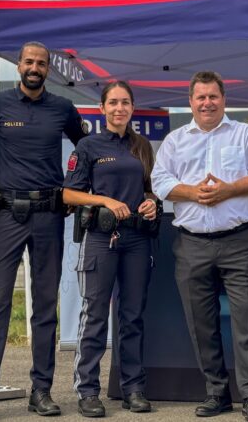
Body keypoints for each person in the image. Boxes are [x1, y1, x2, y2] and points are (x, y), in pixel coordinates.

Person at [0, 41, 88, 421]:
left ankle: (42, 391)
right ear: (19, 65)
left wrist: (73, 190)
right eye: (29, 61)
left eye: (42, 63)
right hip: (8, 216)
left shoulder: (63, 108)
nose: (35, 67)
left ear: (49, 69)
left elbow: (87, 149)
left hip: (49, 215)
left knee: (45, 307)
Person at [151, 71, 248, 422]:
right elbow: (159, 181)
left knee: (247, 322)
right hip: (191, 244)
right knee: (200, 323)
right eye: (200, 97)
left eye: (213, 96)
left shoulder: (245, 134)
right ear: (190, 101)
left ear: (224, 99)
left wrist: (229, 190)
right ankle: (216, 393)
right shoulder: (175, 141)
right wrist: (194, 192)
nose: (207, 102)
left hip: (238, 242)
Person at [63, 81, 158, 418]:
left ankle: (133, 389)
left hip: (136, 239)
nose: (120, 108)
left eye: (126, 103)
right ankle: (87, 390)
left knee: (132, 317)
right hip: (101, 238)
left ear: (133, 108)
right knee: (95, 315)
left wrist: (150, 203)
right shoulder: (87, 146)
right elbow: (69, 195)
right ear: (102, 108)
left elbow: (149, 190)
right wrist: (104, 198)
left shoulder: (142, 146)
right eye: (113, 103)